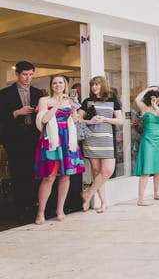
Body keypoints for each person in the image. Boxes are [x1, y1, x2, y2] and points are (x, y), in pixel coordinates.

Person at [34, 75, 85, 224]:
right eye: (55, 83)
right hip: (51, 140)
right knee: (49, 177)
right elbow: (44, 120)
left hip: (67, 139)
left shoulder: (70, 100)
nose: (58, 85)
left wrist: (74, 106)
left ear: (65, 85)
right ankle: (40, 212)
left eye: (60, 82)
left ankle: (60, 210)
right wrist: (58, 104)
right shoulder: (44, 100)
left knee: (65, 176)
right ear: (51, 85)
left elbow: (75, 120)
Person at [0, 61, 43, 221]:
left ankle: (34, 203)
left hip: (34, 138)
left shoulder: (38, 93)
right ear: (17, 74)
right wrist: (16, 113)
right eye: (25, 74)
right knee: (18, 173)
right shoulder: (4, 93)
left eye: (31, 74)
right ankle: (20, 207)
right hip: (15, 140)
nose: (28, 78)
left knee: (34, 171)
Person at [78, 76, 124, 213]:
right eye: (92, 85)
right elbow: (77, 118)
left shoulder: (112, 100)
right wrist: (90, 121)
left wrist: (104, 119)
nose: (94, 87)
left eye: (97, 84)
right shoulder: (87, 102)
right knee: (97, 172)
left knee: (107, 170)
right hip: (91, 139)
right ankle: (103, 203)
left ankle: (88, 193)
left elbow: (120, 121)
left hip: (107, 139)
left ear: (103, 85)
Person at [133, 86, 159, 205]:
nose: (157, 97)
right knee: (146, 169)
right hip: (148, 139)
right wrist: (148, 88)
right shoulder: (144, 107)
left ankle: (156, 193)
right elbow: (137, 99)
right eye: (155, 95)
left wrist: (156, 106)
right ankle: (141, 199)